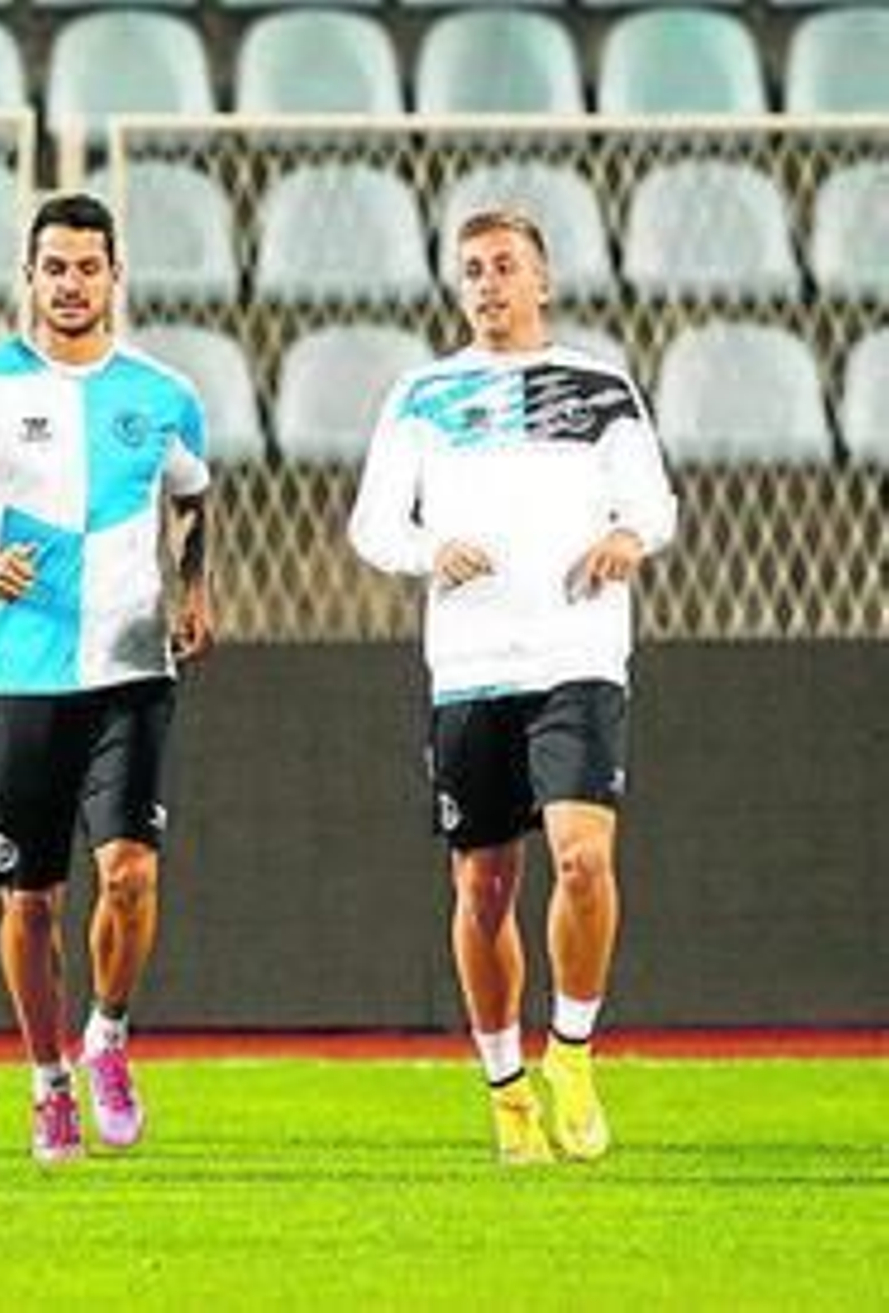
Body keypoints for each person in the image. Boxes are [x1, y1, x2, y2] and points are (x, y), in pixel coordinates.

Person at [348, 209, 677, 1165]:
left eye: (504, 267)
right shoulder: (423, 393)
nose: (487, 284)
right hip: (471, 664)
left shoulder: (600, 386)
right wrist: (425, 549)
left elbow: (652, 501)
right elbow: (374, 524)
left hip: (576, 652)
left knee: (582, 858)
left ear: (544, 281)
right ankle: (505, 1084)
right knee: (484, 883)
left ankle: (570, 1052)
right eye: (472, 271)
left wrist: (628, 537)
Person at [0, 192, 214, 1165]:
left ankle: (107, 1035)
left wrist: (195, 585)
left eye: (87, 266)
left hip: (128, 666)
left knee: (131, 871)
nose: (70, 284)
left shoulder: (164, 394)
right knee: (29, 904)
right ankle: (47, 1082)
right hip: (21, 675)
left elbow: (193, 495)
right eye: (53, 267)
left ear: (115, 275)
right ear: (29, 277)